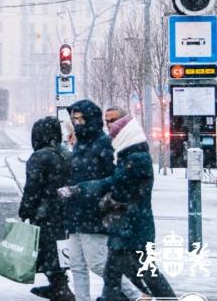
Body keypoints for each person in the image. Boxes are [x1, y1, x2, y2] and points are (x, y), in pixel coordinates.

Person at [61, 113, 177, 301]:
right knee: (120, 274)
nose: (110, 133)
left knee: (141, 272)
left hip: (133, 225)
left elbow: (116, 185)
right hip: (125, 224)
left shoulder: (136, 158)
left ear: (125, 135)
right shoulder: (127, 155)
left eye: (113, 128)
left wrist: (82, 189)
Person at [62, 101, 138, 301]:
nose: (78, 122)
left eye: (81, 118)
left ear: (91, 119)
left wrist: (89, 190)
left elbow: (112, 178)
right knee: (76, 265)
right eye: (75, 119)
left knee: (96, 262)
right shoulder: (80, 143)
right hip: (76, 210)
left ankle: (136, 294)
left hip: (93, 211)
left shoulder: (103, 143)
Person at [18, 117, 74, 301]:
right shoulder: (66, 154)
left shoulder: (39, 157)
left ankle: (60, 287)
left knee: (46, 249)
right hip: (64, 211)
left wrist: (25, 210)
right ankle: (58, 284)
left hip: (45, 212)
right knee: (58, 248)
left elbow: (32, 188)